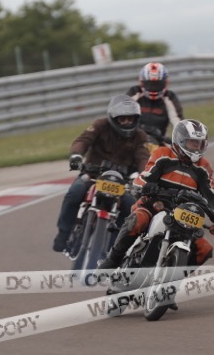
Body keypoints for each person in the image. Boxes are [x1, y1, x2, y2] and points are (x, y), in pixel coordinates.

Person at [98, 119, 214, 270]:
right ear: (179, 140)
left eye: (200, 143)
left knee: (204, 249)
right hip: (154, 204)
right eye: (193, 142)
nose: (196, 147)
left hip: (183, 213)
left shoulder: (204, 167)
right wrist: (147, 186)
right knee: (137, 220)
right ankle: (111, 261)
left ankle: (177, 279)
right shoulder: (163, 154)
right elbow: (144, 177)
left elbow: (210, 194)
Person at [52, 94, 151, 252]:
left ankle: (116, 246)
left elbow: (143, 157)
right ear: (113, 118)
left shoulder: (140, 136)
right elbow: (83, 140)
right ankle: (63, 234)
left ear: (136, 119)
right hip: (93, 175)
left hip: (122, 181)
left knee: (131, 207)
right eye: (122, 119)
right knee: (75, 192)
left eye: (130, 119)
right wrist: (76, 155)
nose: (127, 122)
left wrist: (145, 175)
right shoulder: (100, 125)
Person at [126, 62, 184, 142]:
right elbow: (122, 114)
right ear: (141, 82)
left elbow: (177, 121)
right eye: (150, 84)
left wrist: (180, 138)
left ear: (166, 83)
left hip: (159, 142)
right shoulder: (134, 93)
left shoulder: (169, 97)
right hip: (132, 141)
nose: (153, 88)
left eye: (157, 84)